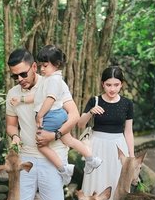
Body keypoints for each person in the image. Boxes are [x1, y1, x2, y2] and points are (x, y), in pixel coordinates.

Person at [5, 48, 80, 200]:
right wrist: (15, 137)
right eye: (14, 76)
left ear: (35, 67)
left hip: (53, 154)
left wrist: (55, 135)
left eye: (23, 74)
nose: (19, 79)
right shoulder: (12, 94)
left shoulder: (54, 84)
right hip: (27, 156)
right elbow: (11, 125)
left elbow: (74, 115)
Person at [11, 45, 102, 184]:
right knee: (69, 140)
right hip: (58, 115)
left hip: (51, 116)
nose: (42, 69)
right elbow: (37, 96)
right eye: (41, 66)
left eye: (45, 66)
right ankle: (91, 158)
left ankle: (63, 169)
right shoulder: (49, 79)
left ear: (57, 64)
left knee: (41, 145)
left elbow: (49, 99)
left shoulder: (53, 80)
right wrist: (21, 99)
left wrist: (40, 115)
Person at [77, 66, 134, 200]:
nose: (112, 89)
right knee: (94, 186)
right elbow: (80, 124)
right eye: (108, 84)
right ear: (102, 84)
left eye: (116, 85)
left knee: (116, 188)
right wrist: (90, 112)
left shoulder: (127, 104)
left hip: (118, 147)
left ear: (121, 85)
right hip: (97, 146)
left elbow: (128, 131)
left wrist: (131, 158)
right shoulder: (95, 100)